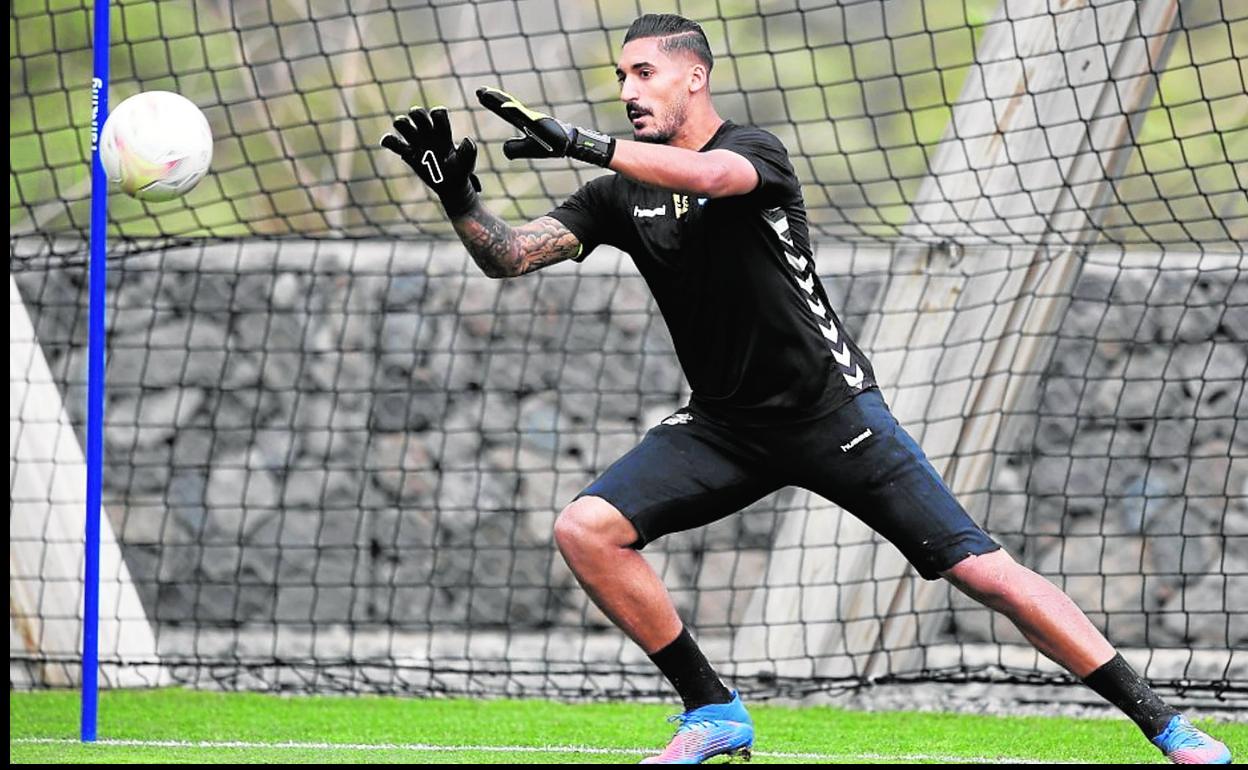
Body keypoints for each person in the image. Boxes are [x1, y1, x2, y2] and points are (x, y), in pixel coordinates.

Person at [380, 13, 1231, 766]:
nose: (629, 90)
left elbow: (712, 182)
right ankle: (713, 711)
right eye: (621, 78)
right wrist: (459, 197)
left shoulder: (755, 153)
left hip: (834, 417)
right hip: (722, 427)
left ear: (694, 77)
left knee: (987, 574)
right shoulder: (618, 194)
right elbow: (511, 256)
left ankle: (1172, 732)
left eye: (644, 73)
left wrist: (581, 140)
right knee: (586, 530)